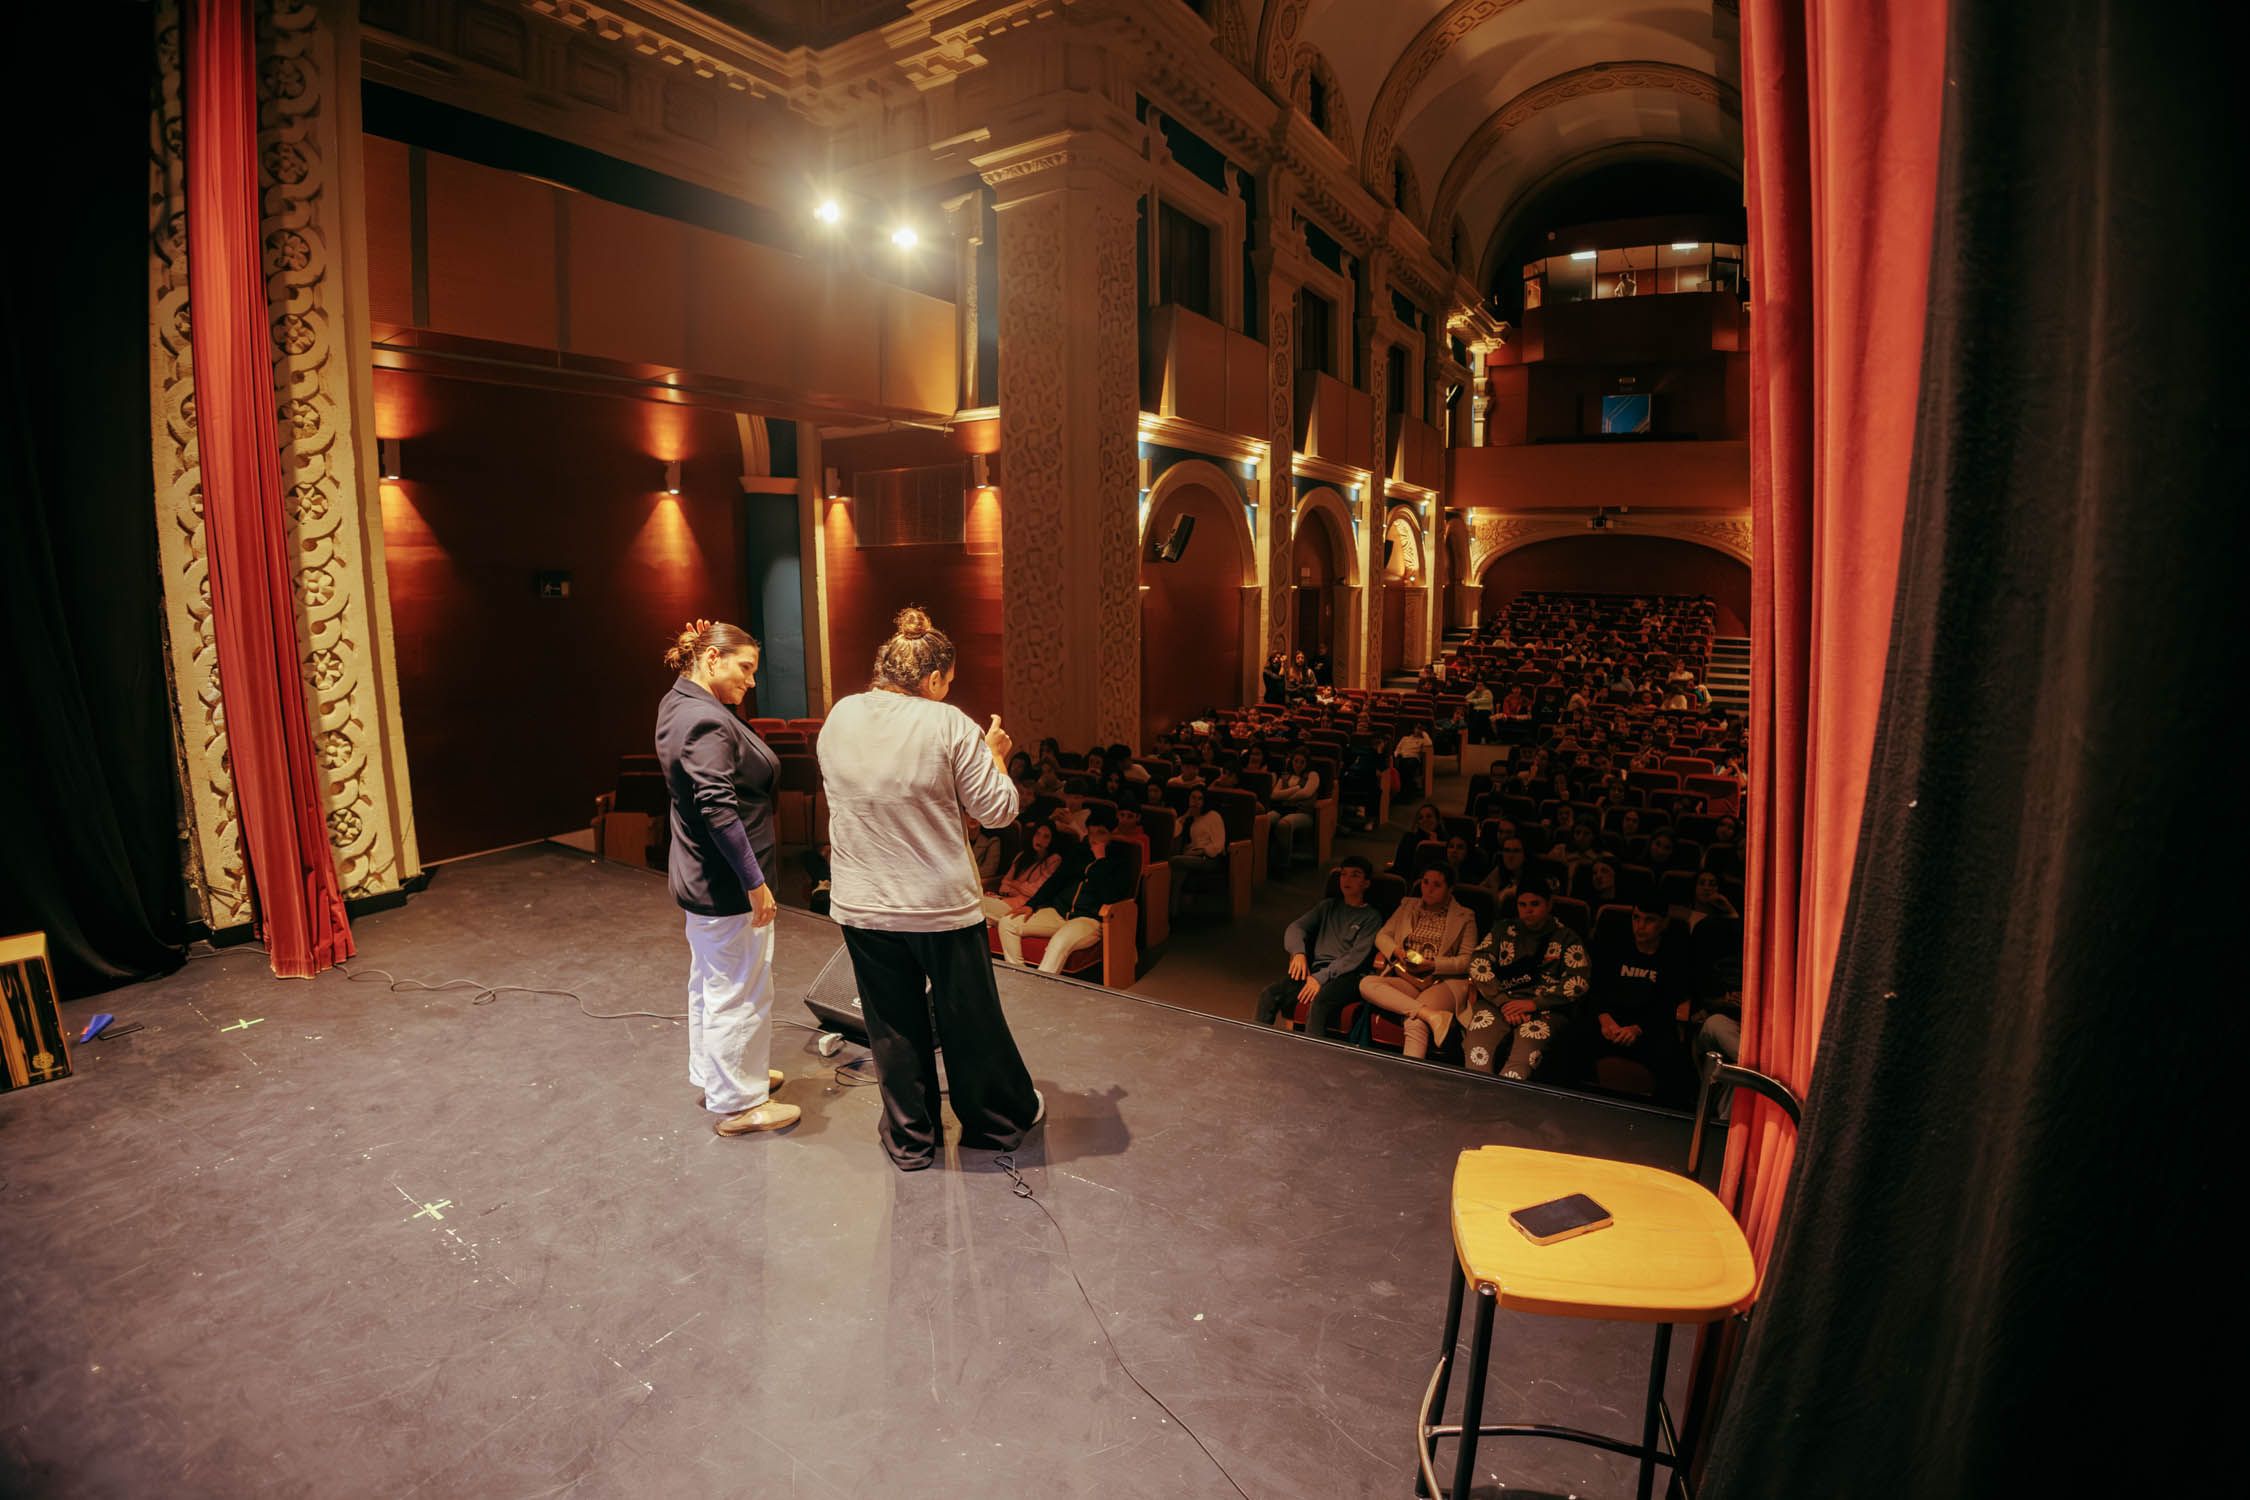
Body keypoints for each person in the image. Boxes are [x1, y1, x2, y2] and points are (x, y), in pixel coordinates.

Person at [818, 607, 1041, 1171]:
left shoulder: (840, 716)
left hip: (862, 900)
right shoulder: (949, 724)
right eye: (948, 681)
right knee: (968, 1020)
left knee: (890, 1026)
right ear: (936, 678)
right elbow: (996, 812)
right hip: (938, 906)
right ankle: (990, 1127)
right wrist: (995, 757)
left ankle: (911, 1140)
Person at [655, 619, 795, 1136]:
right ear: (712, 659)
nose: (751, 681)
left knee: (712, 983)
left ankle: (722, 1075)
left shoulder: (680, 700)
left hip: (701, 878)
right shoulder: (706, 720)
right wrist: (754, 881)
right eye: (745, 667)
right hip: (727, 884)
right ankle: (739, 1103)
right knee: (740, 989)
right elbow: (718, 807)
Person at [1460, 879, 1591, 1079]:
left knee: (1523, 1060)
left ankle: (1502, 1107)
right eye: (1523, 905)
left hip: (1543, 1009)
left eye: (1535, 904)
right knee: (1476, 1048)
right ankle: (1480, 1102)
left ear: (1549, 905)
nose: (1528, 910)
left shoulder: (1566, 938)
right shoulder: (1503, 930)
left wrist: (1533, 1003)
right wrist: (1504, 1002)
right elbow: (1478, 963)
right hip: (1499, 1002)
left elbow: (1578, 983)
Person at [1254, 856, 1386, 1034]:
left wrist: (1321, 978)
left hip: (1348, 976)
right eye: (1343, 874)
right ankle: (1254, 1044)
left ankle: (1311, 1059)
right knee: (1270, 994)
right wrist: (1298, 953)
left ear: (1366, 883)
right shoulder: (1328, 906)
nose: (1347, 880)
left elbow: (1355, 957)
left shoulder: (1371, 917)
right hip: (1316, 971)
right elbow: (1296, 927)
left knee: (1320, 1002)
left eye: (1355, 875)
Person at [1359, 865, 1479, 1059]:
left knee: (1415, 1022)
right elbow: (1382, 936)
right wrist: (1397, 951)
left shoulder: (1465, 916)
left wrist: (1433, 964)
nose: (1429, 889)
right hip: (1408, 976)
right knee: (1367, 984)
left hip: (1441, 981)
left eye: (1437, 885)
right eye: (1425, 882)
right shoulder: (1408, 905)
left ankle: (1409, 1079)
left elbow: (1468, 961)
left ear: (1450, 889)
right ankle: (1432, 1016)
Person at [1588, 897, 1696, 1106]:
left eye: (1649, 920)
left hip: (1649, 1028)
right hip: (1610, 1023)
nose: (1640, 926)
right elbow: (1596, 989)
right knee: (1570, 1041)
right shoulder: (1615, 947)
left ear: (1663, 923)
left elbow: (1668, 1004)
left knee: (1676, 1066)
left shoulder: (1674, 957)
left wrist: (1637, 1028)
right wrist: (1605, 1020)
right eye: (1636, 918)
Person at [998, 820, 1135, 975]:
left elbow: (1110, 896)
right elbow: (1055, 881)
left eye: (1101, 833)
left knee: (1058, 941)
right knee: (1007, 923)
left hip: (1088, 919)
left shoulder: (1120, 860)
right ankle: (1020, 977)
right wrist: (1032, 904)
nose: (1095, 838)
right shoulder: (1078, 852)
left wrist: (1100, 861)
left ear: (1111, 835)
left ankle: (1038, 990)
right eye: (1092, 832)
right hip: (1058, 912)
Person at [1168, 785, 1228, 919]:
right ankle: (1173, 912)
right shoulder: (1192, 818)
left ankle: (1172, 912)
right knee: (1179, 871)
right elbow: (1174, 833)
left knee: (1174, 861)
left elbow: (1219, 845)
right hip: (1194, 857)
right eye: (1193, 798)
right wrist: (1185, 817)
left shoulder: (1213, 816)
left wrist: (1200, 851)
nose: (1195, 802)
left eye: (1199, 799)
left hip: (1211, 859)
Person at [981, 823, 1061, 923]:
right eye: (1037, 834)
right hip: (1005, 899)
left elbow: (1036, 891)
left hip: (1024, 907)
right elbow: (1004, 885)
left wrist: (1014, 884)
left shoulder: (1053, 860)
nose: (1040, 839)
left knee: (978, 905)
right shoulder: (1022, 855)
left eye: (1046, 836)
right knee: (977, 903)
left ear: (1051, 840)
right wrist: (1019, 890)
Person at [1268, 748, 1322, 874]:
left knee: (1284, 824)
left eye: (1302, 762)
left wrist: (1285, 797)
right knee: (1266, 819)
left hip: (1302, 812)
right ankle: (1264, 859)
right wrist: (1296, 789)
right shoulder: (1285, 776)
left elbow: (1306, 792)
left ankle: (1282, 865)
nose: (1298, 765)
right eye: (1296, 761)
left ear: (1307, 763)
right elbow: (1274, 795)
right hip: (1283, 809)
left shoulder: (1312, 775)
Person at [1390, 802, 1446, 876]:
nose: (1424, 820)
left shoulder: (1446, 840)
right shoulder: (1409, 838)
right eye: (1420, 818)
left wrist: (1434, 845)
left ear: (1437, 820)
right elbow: (1401, 867)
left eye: (1429, 816)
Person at [1394, 721, 1434, 799]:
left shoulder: (1422, 740)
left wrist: (1424, 733)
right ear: (1413, 729)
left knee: (1407, 766)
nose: (1418, 730)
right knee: (1402, 764)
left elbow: (1429, 744)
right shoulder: (1405, 738)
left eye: (1420, 729)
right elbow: (1397, 749)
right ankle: (1406, 791)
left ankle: (1405, 792)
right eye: (1417, 728)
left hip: (1413, 758)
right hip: (1402, 757)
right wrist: (1396, 755)